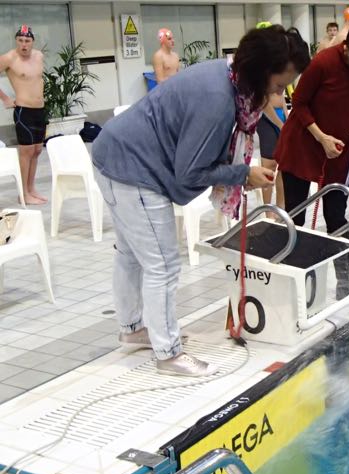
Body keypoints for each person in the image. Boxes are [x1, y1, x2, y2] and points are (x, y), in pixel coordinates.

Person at [92, 26, 310, 376]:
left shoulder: (229, 78)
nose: (277, 93)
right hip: (132, 167)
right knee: (162, 263)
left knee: (132, 254)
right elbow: (189, 173)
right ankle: (168, 354)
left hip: (117, 153)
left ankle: (133, 330)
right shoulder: (218, 100)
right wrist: (243, 174)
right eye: (277, 85)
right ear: (260, 72)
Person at [274, 14, 349, 307]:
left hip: (339, 148)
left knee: (338, 218)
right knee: (297, 218)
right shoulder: (323, 63)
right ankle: (298, 289)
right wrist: (321, 137)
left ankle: (346, 287)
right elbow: (299, 105)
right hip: (304, 143)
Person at [0, 25, 47, 205]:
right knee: (26, 152)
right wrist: (5, 98)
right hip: (23, 111)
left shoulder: (39, 56)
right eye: (20, 40)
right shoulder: (9, 58)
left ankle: (31, 188)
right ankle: (23, 193)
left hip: (39, 110)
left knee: (36, 150)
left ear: (32, 42)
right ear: (16, 41)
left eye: (27, 41)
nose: (24, 45)